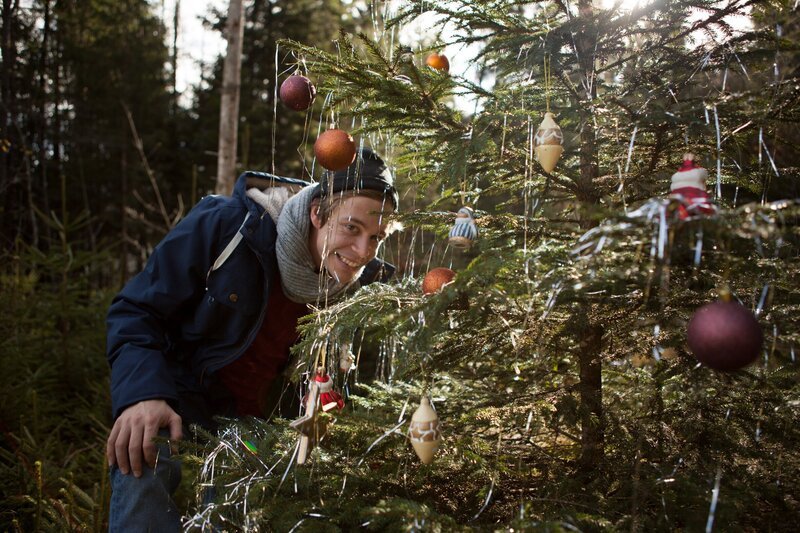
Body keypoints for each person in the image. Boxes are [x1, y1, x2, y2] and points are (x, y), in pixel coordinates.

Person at [105, 148, 399, 532]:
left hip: (254, 427)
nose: (363, 253)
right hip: (176, 393)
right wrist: (143, 395)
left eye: (375, 237)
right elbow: (136, 310)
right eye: (351, 228)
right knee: (143, 456)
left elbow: (355, 382)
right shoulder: (229, 226)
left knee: (239, 509)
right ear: (316, 213)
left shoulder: (362, 287)